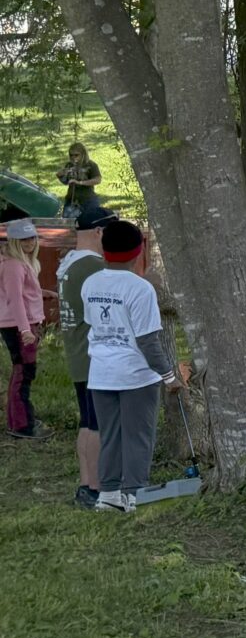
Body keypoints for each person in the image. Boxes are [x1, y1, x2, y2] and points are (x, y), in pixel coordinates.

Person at [81, 219, 180, 514]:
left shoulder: (91, 283)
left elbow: (93, 323)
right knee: (138, 435)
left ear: (104, 249)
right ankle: (135, 493)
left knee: (110, 434)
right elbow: (148, 341)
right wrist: (169, 376)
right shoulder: (141, 289)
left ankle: (108, 494)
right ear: (138, 252)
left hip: (100, 372)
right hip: (137, 375)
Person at [57, 207, 114, 505]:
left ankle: (85, 483)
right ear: (99, 232)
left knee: (87, 422)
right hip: (94, 357)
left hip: (77, 354)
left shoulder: (69, 263)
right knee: (97, 426)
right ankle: (97, 488)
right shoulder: (93, 267)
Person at [2, 219, 48, 439]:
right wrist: (25, 330)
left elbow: (25, 292)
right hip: (20, 325)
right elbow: (15, 300)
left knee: (22, 372)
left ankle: (18, 420)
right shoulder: (13, 265)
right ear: (14, 241)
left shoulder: (24, 262)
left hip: (24, 323)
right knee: (23, 373)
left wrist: (45, 293)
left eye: (32, 238)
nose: (29, 243)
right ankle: (23, 426)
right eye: (23, 239)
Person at [57, 143, 101, 218]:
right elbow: (66, 182)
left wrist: (80, 183)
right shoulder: (69, 165)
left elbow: (97, 180)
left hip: (87, 199)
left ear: (83, 154)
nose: (73, 157)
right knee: (68, 224)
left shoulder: (91, 165)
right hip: (71, 200)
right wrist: (60, 176)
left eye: (76, 155)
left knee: (88, 224)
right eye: (71, 155)